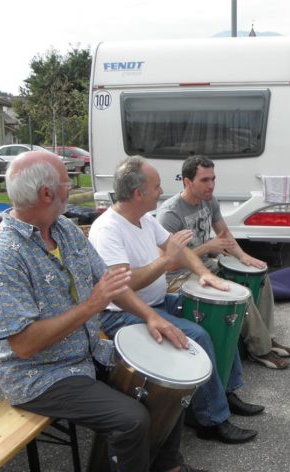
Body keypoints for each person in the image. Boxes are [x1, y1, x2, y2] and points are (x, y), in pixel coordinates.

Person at [0, 150, 211, 472]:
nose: (73, 187)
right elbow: (22, 345)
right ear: (47, 194)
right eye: (68, 181)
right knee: (131, 419)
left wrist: (152, 317)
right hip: (39, 375)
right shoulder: (3, 254)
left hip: (86, 352)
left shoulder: (65, 230)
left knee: (165, 380)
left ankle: (165, 468)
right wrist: (90, 307)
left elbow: (111, 285)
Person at [89, 155, 263, 445]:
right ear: (138, 193)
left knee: (218, 318)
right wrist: (164, 264)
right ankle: (212, 419)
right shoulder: (108, 229)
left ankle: (228, 392)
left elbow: (177, 251)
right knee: (198, 334)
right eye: (156, 186)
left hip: (156, 302)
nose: (161, 192)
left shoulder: (143, 219)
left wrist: (203, 274)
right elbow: (123, 286)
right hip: (122, 313)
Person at [157, 154, 290, 370]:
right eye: (204, 180)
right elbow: (169, 265)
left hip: (207, 265)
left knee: (259, 275)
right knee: (239, 292)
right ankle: (260, 350)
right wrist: (207, 247)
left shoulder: (208, 200)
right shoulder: (170, 213)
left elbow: (224, 233)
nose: (211, 185)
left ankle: (267, 337)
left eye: (213, 179)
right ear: (187, 182)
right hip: (180, 276)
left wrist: (244, 257)